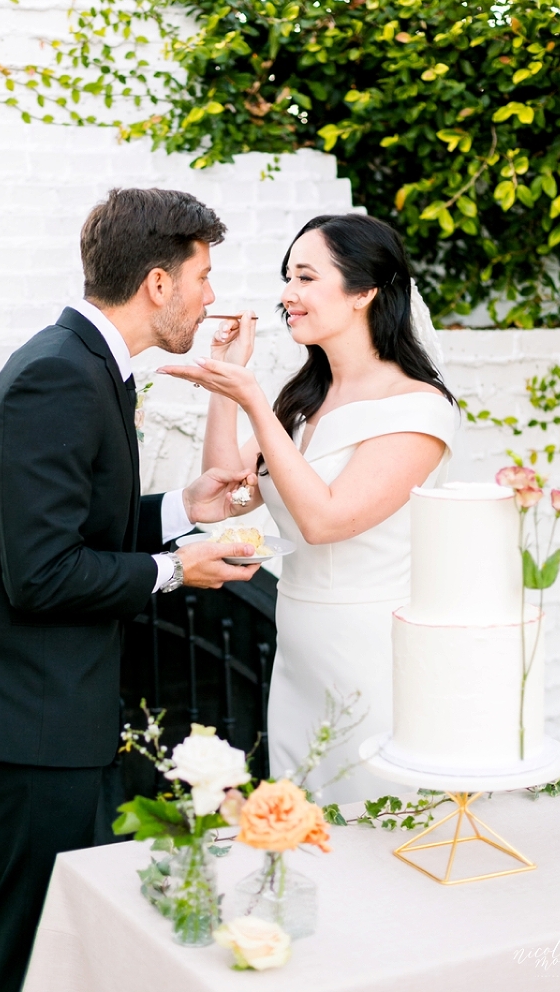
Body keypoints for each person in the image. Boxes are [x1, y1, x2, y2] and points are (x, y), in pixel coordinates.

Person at [0, 187, 260, 992]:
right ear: (158, 283)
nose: (210, 296)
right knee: (28, 946)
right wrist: (181, 566)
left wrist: (186, 508)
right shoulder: (59, 378)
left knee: (32, 933)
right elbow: (42, 575)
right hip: (25, 727)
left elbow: (76, 527)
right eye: (202, 275)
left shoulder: (89, 368)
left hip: (42, 717)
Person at [158, 213, 459, 802]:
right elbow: (226, 493)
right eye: (286, 278)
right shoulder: (302, 400)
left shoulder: (418, 409)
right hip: (299, 646)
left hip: (371, 649)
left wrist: (253, 403)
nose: (286, 296)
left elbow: (325, 521)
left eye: (304, 277)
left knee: (374, 808)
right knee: (307, 814)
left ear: (364, 291)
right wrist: (232, 382)